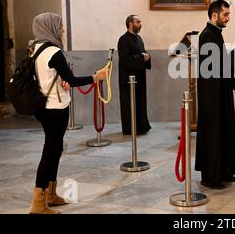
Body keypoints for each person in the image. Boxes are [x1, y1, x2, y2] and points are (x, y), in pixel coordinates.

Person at [29, 13, 107, 214]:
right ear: (50, 27)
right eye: (60, 25)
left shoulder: (34, 49)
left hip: (44, 108)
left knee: (55, 150)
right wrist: (95, 77)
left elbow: (47, 77)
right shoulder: (54, 51)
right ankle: (38, 204)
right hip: (55, 108)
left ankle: (51, 195)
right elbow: (71, 80)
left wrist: (61, 79)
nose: (62, 29)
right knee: (50, 152)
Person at [195, 0, 235, 189]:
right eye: (225, 14)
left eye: (228, 14)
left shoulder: (215, 34)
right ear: (214, 16)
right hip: (211, 97)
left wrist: (232, 81)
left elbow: (222, 63)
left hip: (219, 92)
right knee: (214, 132)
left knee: (224, 129)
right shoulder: (208, 35)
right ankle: (211, 176)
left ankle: (225, 171)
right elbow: (217, 65)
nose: (228, 18)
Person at [117, 15, 152, 135]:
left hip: (140, 76)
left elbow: (142, 52)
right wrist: (142, 57)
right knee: (130, 103)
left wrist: (147, 56)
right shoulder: (123, 40)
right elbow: (125, 59)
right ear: (130, 24)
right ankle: (130, 128)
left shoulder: (139, 38)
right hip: (128, 78)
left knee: (140, 101)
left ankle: (142, 126)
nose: (140, 24)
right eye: (138, 22)